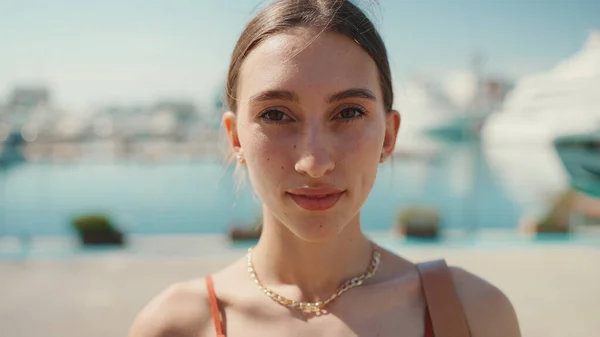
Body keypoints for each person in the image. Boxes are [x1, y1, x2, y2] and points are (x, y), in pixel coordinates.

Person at [128, 0, 521, 336]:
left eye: (348, 112)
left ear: (388, 135)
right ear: (234, 139)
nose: (314, 163)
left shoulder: (473, 315)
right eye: (276, 115)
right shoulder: (175, 326)